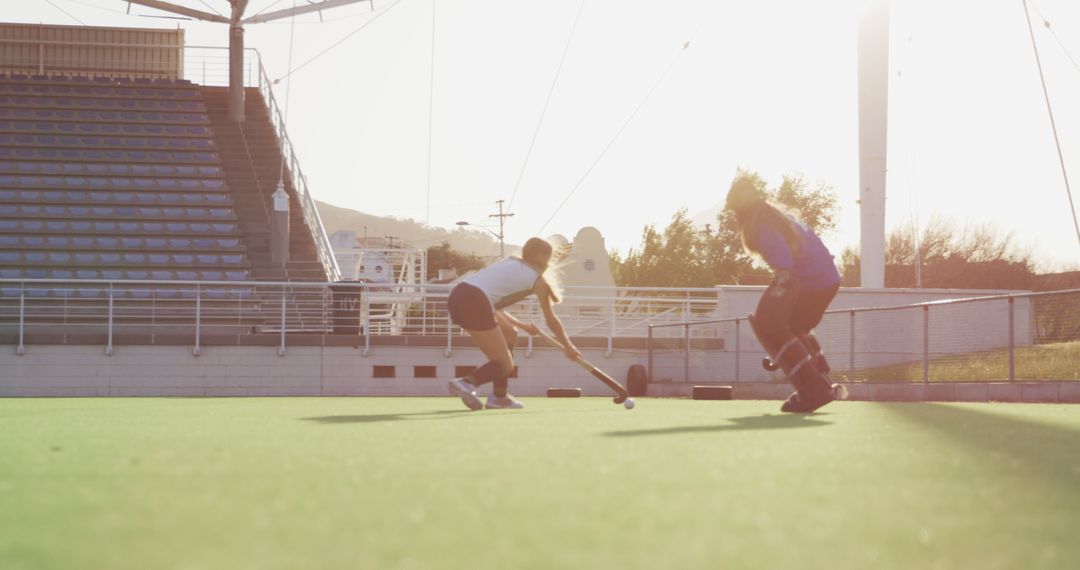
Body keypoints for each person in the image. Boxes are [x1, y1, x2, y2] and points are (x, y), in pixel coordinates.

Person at [725, 176, 844, 413]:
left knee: (769, 325)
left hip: (813, 282)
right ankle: (822, 381)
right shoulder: (778, 216)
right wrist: (782, 352)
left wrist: (778, 341)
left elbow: (784, 262)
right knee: (793, 326)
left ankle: (814, 389)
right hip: (826, 279)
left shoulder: (760, 226)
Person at [446, 237, 580, 410]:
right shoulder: (537, 280)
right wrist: (568, 345)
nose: (550, 263)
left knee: (510, 333)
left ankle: (499, 397)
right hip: (474, 300)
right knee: (504, 365)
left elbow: (491, 303)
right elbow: (550, 319)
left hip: (459, 295)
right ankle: (467, 383)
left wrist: (523, 326)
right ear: (541, 256)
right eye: (550, 257)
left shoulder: (510, 262)